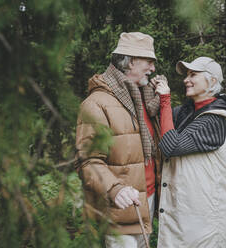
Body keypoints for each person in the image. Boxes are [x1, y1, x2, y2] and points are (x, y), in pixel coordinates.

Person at [75, 32, 162, 248]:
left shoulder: (144, 99)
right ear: (131, 61)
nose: (153, 69)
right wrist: (116, 189)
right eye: (149, 61)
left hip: (147, 199)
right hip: (119, 206)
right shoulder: (96, 103)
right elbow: (88, 161)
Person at [152, 57, 226, 248]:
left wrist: (165, 99)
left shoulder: (215, 120)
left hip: (202, 220)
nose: (186, 80)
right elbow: (161, 119)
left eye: (193, 75)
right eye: (186, 75)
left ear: (212, 81)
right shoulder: (189, 112)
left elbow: (170, 146)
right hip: (186, 214)